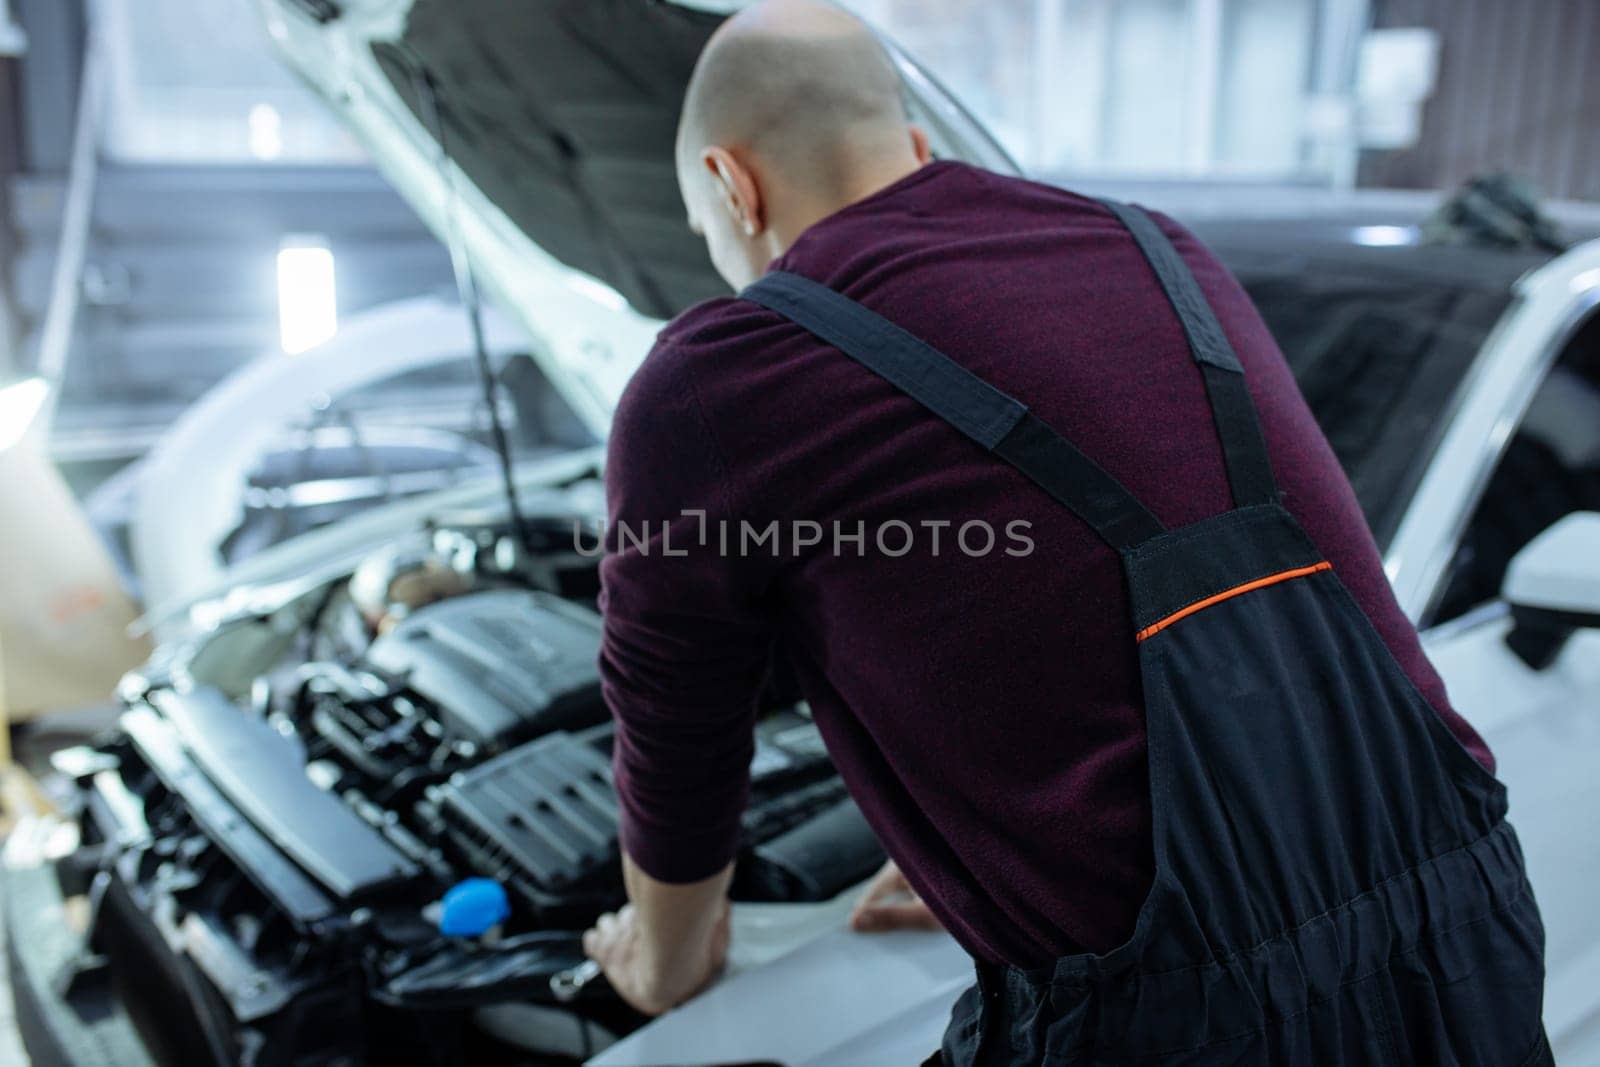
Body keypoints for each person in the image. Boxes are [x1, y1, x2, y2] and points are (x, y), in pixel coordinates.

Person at [581, 1, 1549, 1062]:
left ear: (731, 185)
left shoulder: (722, 374)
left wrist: (659, 959)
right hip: (1466, 915)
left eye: (701, 227)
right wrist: (984, 834)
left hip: (1180, 1016)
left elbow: (677, 728)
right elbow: (1149, 572)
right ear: (913, 149)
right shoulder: (1152, 245)